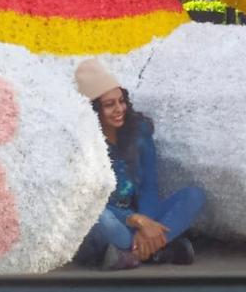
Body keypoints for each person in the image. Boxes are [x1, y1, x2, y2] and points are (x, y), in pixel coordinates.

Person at [73, 58, 206, 270]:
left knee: (194, 196)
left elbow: (149, 186)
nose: (119, 109)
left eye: (121, 101)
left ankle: (131, 255)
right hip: (113, 221)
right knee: (99, 218)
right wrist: (138, 221)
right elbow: (88, 201)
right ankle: (157, 252)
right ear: (93, 110)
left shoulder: (139, 130)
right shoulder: (85, 143)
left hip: (139, 221)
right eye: (109, 105)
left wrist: (147, 226)